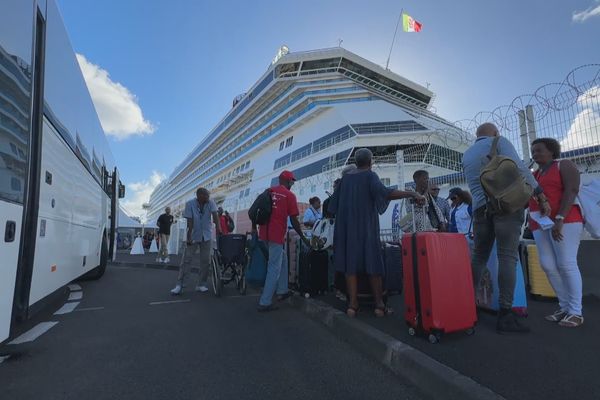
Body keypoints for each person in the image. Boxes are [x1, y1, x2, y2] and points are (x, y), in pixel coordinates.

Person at [463, 122, 550, 334]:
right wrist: (540, 194)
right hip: (506, 207)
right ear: (495, 132)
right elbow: (520, 167)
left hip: (480, 209)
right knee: (507, 257)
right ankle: (505, 313)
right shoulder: (499, 142)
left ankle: (467, 307)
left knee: (479, 257)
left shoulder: (466, 154)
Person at [329, 148, 424, 318]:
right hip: (366, 228)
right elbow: (386, 193)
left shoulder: (345, 179)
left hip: (347, 230)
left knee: (350, 265)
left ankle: (352, 305)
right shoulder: (370, 176)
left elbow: (332, 206)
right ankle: (379, 305)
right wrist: (410, 193)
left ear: (356, 162)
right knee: (373, 262)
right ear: (371, 162)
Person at [529, 138, 584, 327]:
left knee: (566, 263)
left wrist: (560, 218)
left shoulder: (563, 165)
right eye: (533, 151)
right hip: (540, 224)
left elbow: (572, 189)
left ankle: (576, 312)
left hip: (565, 220)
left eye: (539, 150)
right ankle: (564, 306)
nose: (535, 154)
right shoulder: (534, 174)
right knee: (548, 265)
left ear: (552, 151)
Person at [255, 170, 310, 312]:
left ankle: (282, 290)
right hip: (276, 235)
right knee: (274, 267)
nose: (292, 184)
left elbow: (255, 210)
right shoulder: (289, 195)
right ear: (287, 181)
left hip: (264, 233)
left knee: (283, 258)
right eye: (292, 181)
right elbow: (294, 220)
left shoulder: (268, 191)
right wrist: (303, 237)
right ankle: (265, 301)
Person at [171, 188, 222, 295]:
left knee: (205, 261)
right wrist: (189, 236)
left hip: (207, 235)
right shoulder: (190, 204)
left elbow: (215, 215)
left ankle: (201, 284)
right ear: (199, 195)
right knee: (186, 260)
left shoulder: (210, 202)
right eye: (206, 196)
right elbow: (190, 221)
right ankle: (180, 285)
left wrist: (218, 228)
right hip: (194, 234)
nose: (208, 197)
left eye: (208, 195)